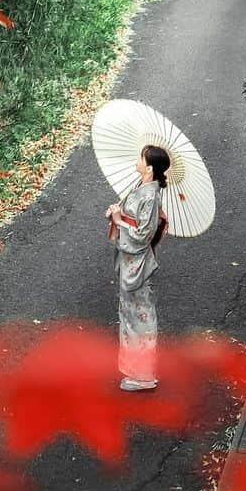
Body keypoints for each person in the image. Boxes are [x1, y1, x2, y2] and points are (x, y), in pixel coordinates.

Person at [105, 144, 170, 392]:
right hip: (131, 262)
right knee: (131, 315)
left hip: (138, 264)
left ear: (150, 167)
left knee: (140, 318)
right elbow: (133, 221)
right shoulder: (142, 190)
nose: (137, 160)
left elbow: (143, 235)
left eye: (141, 158)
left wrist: (120, 221)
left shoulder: (150, 196)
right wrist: (117, 214)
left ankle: (143, 375)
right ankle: (136, 371)